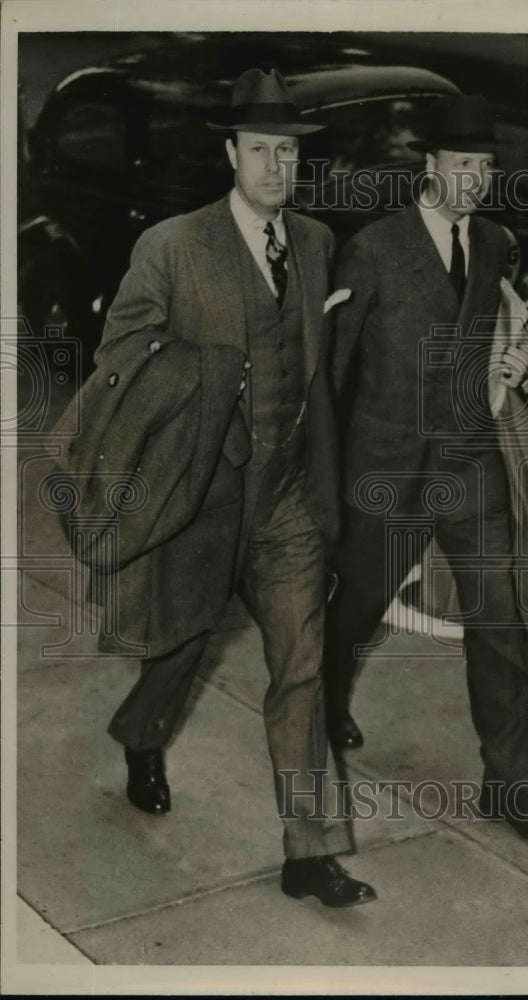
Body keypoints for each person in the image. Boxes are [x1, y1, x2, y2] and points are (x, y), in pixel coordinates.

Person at [54, 68, 375, 908]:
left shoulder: (312, 242)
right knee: (181, 648)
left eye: (289, 153)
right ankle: (141, 732)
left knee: (299, 668)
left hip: (286, 501)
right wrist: (211, 379)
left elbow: (315, 372)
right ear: (230, 154)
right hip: (197, 499)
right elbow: (118, 365)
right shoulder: (170, 246)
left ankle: (310, 853)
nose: (277, 166)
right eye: (260, 149)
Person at [324, 93, 528, 844]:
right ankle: (321, 706)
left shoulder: (493, 243)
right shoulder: (373, 248)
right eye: (462, 163)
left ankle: (510, 786)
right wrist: (320, 474)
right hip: (383, 465)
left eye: (485, 164)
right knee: (354, 610)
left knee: (500, 620)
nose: (476, 177)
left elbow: (502, 323)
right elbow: (334, 369)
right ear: (430, 166)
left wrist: (515, 362)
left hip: (469, 462)